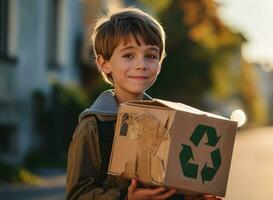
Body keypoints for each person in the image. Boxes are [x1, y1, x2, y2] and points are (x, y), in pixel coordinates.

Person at [66, 7, 221, 200]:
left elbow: (166, 185)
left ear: (160, 63)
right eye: (128, 55)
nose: (141, 64)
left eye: (151, 56)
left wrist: (191, 197)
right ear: (104, 63)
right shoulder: (93, 127)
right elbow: (77, 195)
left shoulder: (165, 120)